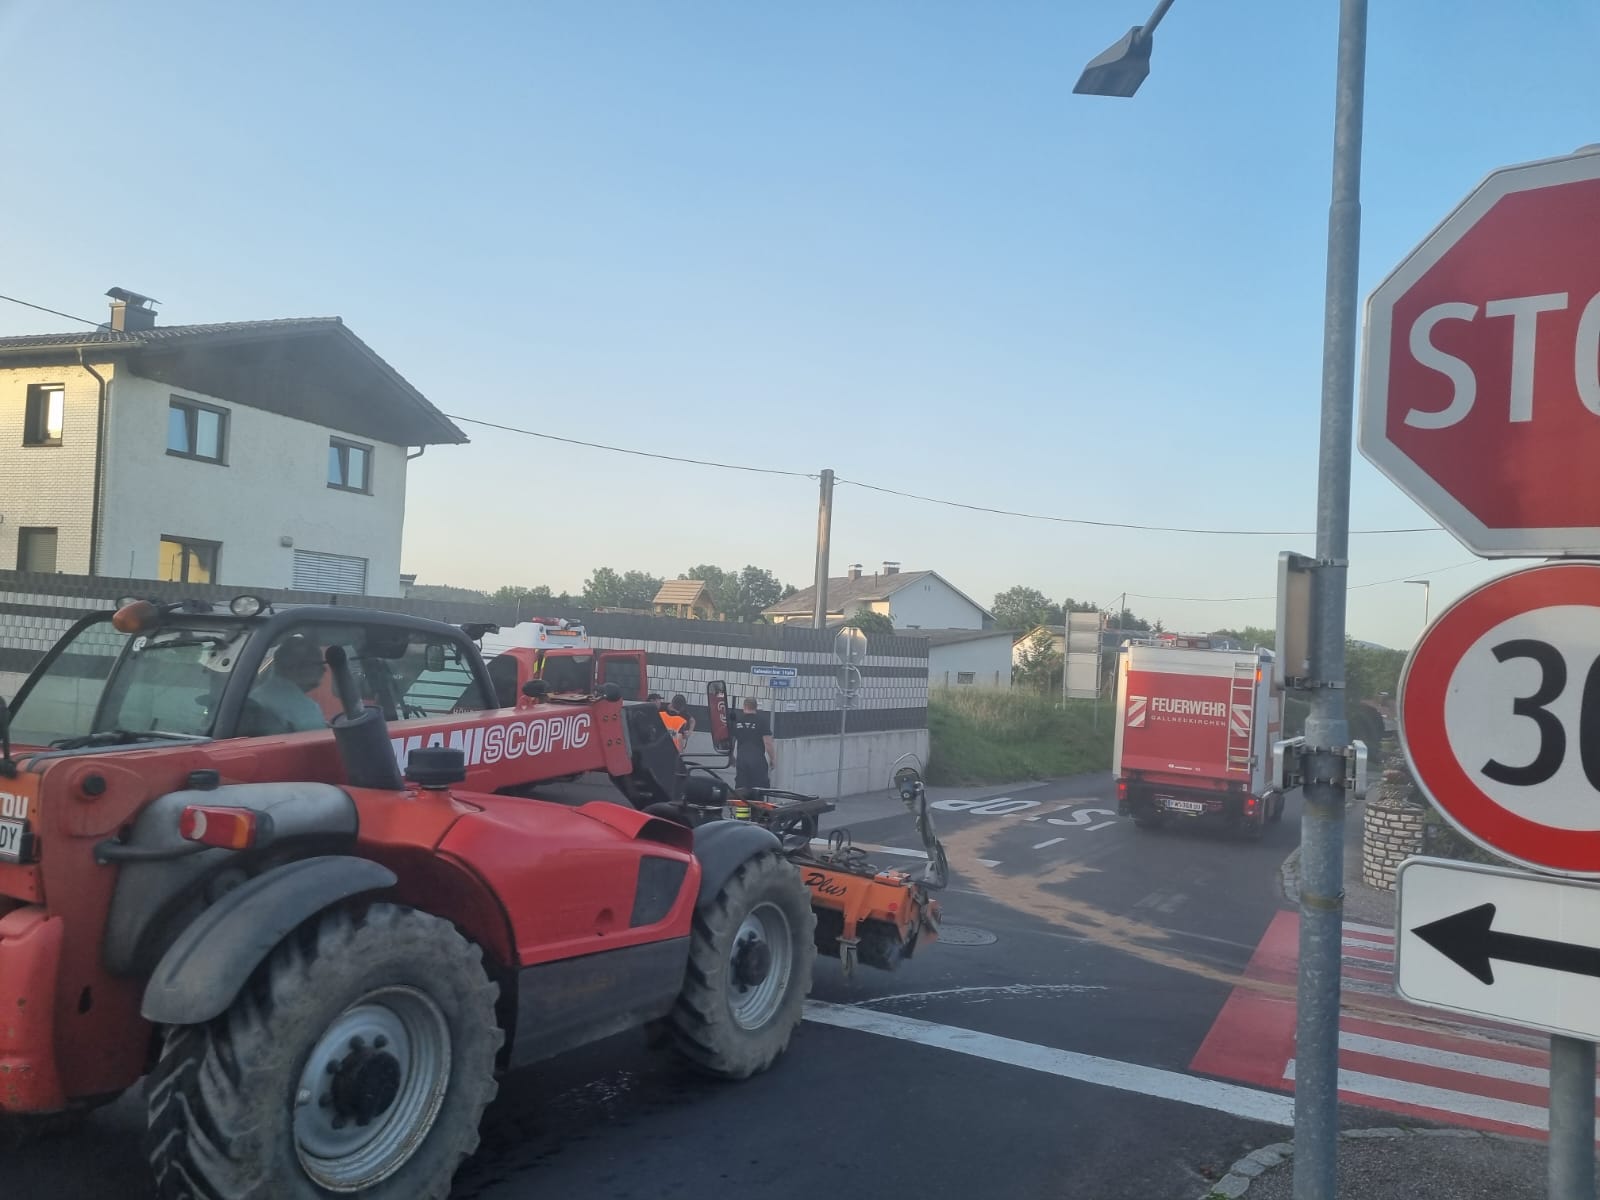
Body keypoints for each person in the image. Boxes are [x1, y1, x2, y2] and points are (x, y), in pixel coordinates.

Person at [246, 634, 329, 734]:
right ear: (299, 667)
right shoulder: (302, 707)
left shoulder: (257, 695)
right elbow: (320, 741)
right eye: (320, 665)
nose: (324, 670)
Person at [731, 697, 776, 791]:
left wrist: (730, 756)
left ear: (744, 706)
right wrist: (773, 759)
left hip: (742, 761)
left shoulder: (737, 721)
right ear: (756, 707)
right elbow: (768, 743)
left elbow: (731, 741)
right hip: (758, 762)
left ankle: (743, 805)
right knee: (758, 791)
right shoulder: (762, 721)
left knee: (741, 791)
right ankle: (756, 805)